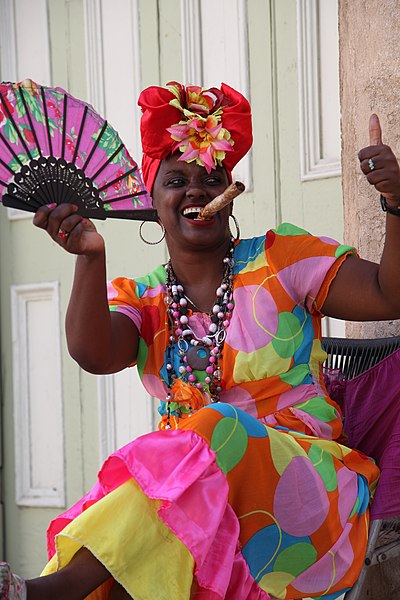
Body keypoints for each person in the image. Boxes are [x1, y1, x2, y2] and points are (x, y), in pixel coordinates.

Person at [1, 80, 400, 600]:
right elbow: (92, 354)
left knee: (216, 426)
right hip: (199, 507)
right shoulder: (144, 297)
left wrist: (395, 201)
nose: (197, 190)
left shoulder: (283, 259)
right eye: (177, 179)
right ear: (152, 199)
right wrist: (89, 255)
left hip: (309, 501)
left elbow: (387, 295)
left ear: (229, 195)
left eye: (212, 177)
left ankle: (49, 592)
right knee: (145, 532)